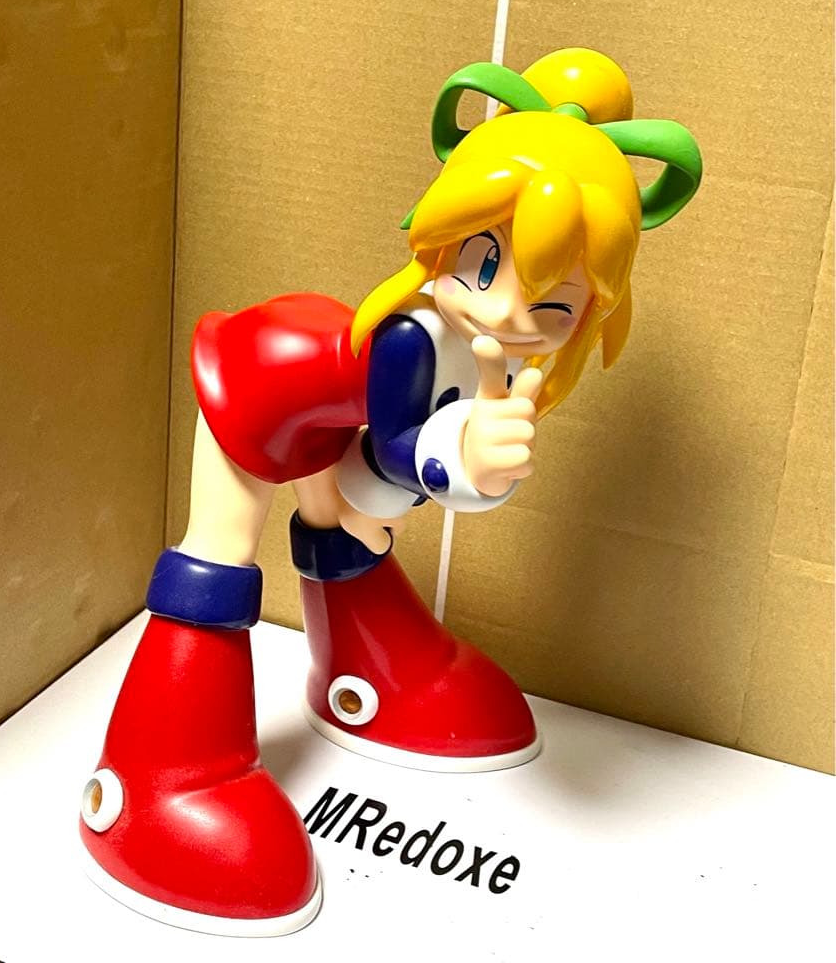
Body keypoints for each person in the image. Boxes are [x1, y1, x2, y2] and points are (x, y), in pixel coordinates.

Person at [79, 48, 702, 935]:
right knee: (219, 556)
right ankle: (161, 777)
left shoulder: (490, 355)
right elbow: (396, 453)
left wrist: (446, 468)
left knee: (348, 530)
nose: (504, 313)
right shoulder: (412, 338)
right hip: (256, 394)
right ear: (443, 239)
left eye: (551, 305)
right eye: (481, 268)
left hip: (336, 422)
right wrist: (461, 462)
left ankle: (365, 675)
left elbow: (371, 476)